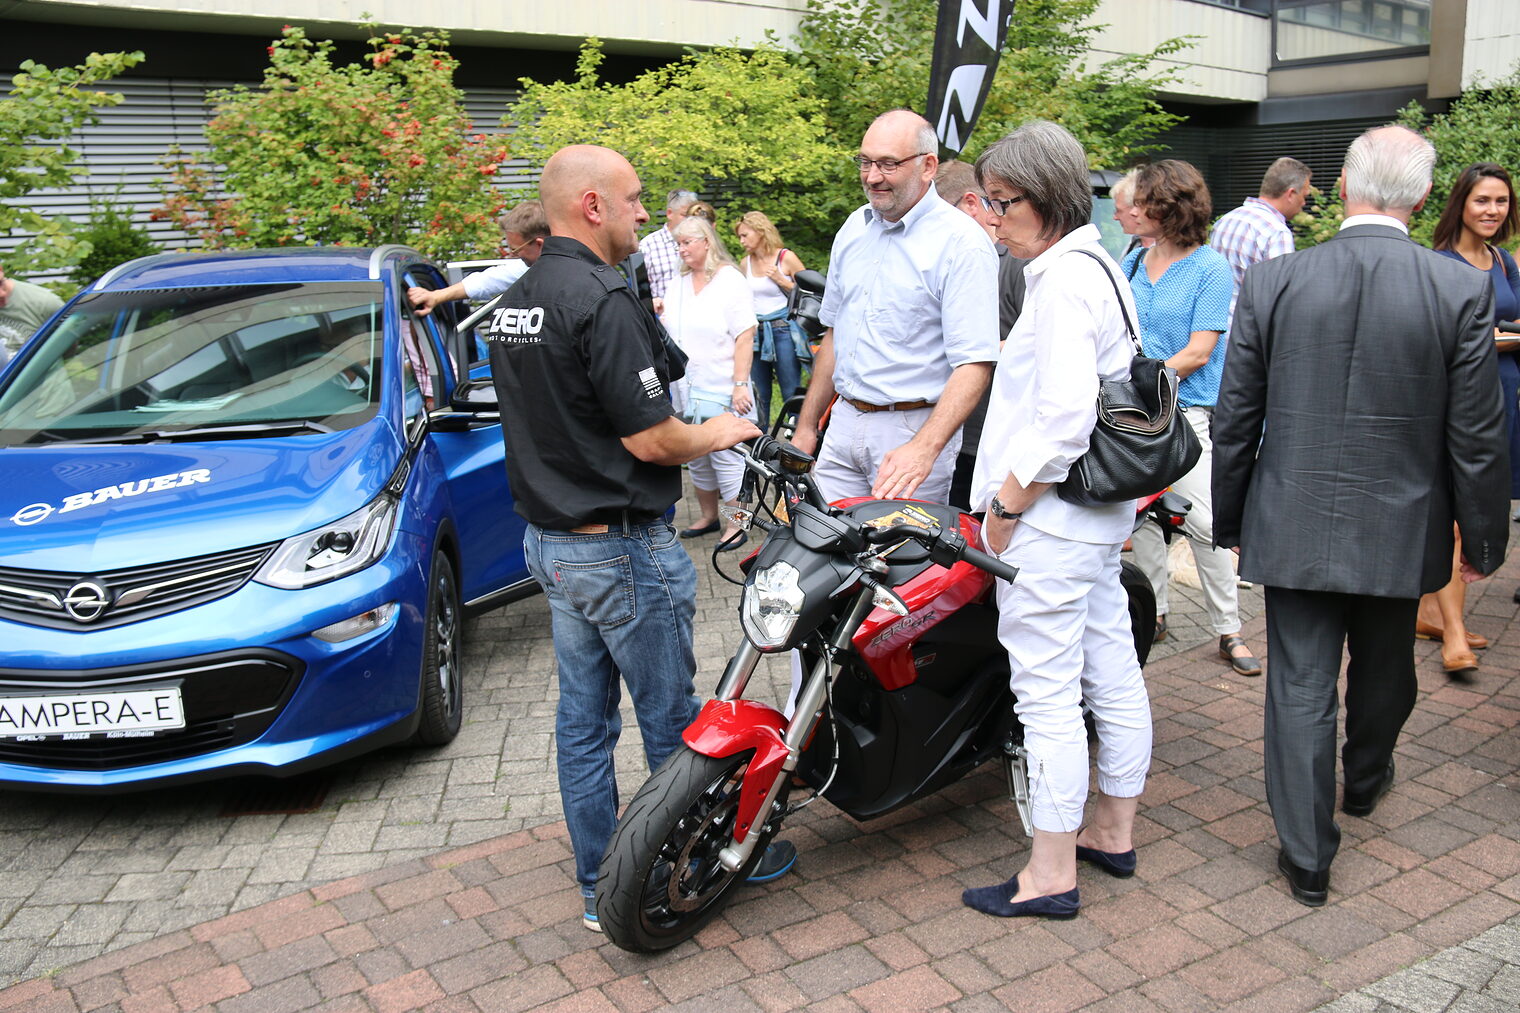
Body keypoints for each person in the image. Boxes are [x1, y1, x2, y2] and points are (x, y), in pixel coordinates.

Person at [477, 145, 779, 932]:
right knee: (673, 721)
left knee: (582, 723)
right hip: (617, 547)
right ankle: (684, 870)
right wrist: (716, 429)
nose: (648, 215)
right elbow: (651, 439)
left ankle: (594, 884)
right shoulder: (598, 297)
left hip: (551, 542)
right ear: (591, 205)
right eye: (636, 200)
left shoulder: (522, 293)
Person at [1212, 125, 1509, 908]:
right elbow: (1475, 433)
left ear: (1342, 188)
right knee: (1385, 669)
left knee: (1300, 682)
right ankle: (1366, 777)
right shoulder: (1457, 290)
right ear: (1419, 199)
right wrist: (1483, 539)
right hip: (1402, 518)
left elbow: (1238, 416)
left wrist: (1232, 516)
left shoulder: (1277, 281)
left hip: (1293, 513)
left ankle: (1307, 854)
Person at [960, 120, 1152, 922]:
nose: (993, 218)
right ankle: (1112, 828)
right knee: (1110, 666)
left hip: (1052, 520)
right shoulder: (1099, 264)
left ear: (1042, 200)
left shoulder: (1062, 280)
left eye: (1002, 203)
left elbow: (1066, 417)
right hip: (1094, 517)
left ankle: (1050, 870)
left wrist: (1005, 503)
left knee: (1044, 694)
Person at [792, 109, 999, 505]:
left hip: (911, 429)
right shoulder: (854, 227)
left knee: (900, 562)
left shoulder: (962, 244)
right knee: (825, 553)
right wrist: (806, 427)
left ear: (928, 166)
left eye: (888, 163)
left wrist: (924, 448)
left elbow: (975, 363)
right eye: (866, 162)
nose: (872, 176)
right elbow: (836, 333)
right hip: (842, 423)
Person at [1123, 159, 1262, 677]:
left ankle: (1229, 628)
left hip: (1184, 413)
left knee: (1204, 522)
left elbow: (1200, 352)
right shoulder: (1135, 258)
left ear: (1172, 207)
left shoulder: (1210, 267)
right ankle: (1155, 611)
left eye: (1144, 202)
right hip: (1133, 413)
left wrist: (1140, 379)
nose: (1134, 210)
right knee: (1144, 520)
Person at [1420, 161, 1520, 673]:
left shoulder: (1503, 261)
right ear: (1461, 202)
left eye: (1501, 201)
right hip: (1456, 403)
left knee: (1481, 508)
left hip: (1502, 396)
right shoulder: (1436, 264)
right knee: (1457, 518)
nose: (1492, 210)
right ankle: (1453, 635)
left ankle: (1429, 613)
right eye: (1483, 200)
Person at [933, 159, 1028, 510]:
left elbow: (1034, 342)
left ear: (971, 204)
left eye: (940, 216)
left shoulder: (1016, 262)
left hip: (989, 438)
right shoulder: (945, 259)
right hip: (946, 430)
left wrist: (973, 352)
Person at [661, 215, 758, 545]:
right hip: (686, 389)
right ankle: (708, 516)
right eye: (678, 244)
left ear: (706, 241)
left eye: (687, 242)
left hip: (723, 387)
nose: (682, 249)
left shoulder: (729, 280)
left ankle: (738, 525)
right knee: (696, 455)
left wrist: (740, 383)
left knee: (730, 460)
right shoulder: (678, 283)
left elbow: (746, 335)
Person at [1209, 157, 1311, 320]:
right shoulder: (1276, 232)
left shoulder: (1225, 220)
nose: (1304, 203)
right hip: (1246, 334)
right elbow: (1279, 298)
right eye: (1305, 196)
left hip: (1213, 331)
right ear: (1291, 194)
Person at [408, 200, 548, 316]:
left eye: (515, 249)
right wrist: (435, 296)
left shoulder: (566, 273)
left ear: (539, 244)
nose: (511, 255)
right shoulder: (531, 266)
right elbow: (487, 281)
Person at [735, 211, 806, 428]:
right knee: (759, 392)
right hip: (756, 333)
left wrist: (780, 280)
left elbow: (809, 293)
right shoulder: (745, 262)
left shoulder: (785, 257)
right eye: (740, 236)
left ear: (760, 231)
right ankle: (761, 441)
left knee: (790, 388)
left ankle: (795, 437)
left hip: (782, 329)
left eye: (745, 235)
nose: (741, 241)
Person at [638, 189, 699, 302]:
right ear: (669, 213)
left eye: (693, 216)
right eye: (685, 215)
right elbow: (639, 291)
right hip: (659, 316)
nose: (690, 220)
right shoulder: (648, 246)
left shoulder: (700, 243)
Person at [0, 262, 65, 366]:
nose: (1, 294)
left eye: (0, 283)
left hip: (46, 381)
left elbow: (68, 344)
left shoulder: (45, 301)